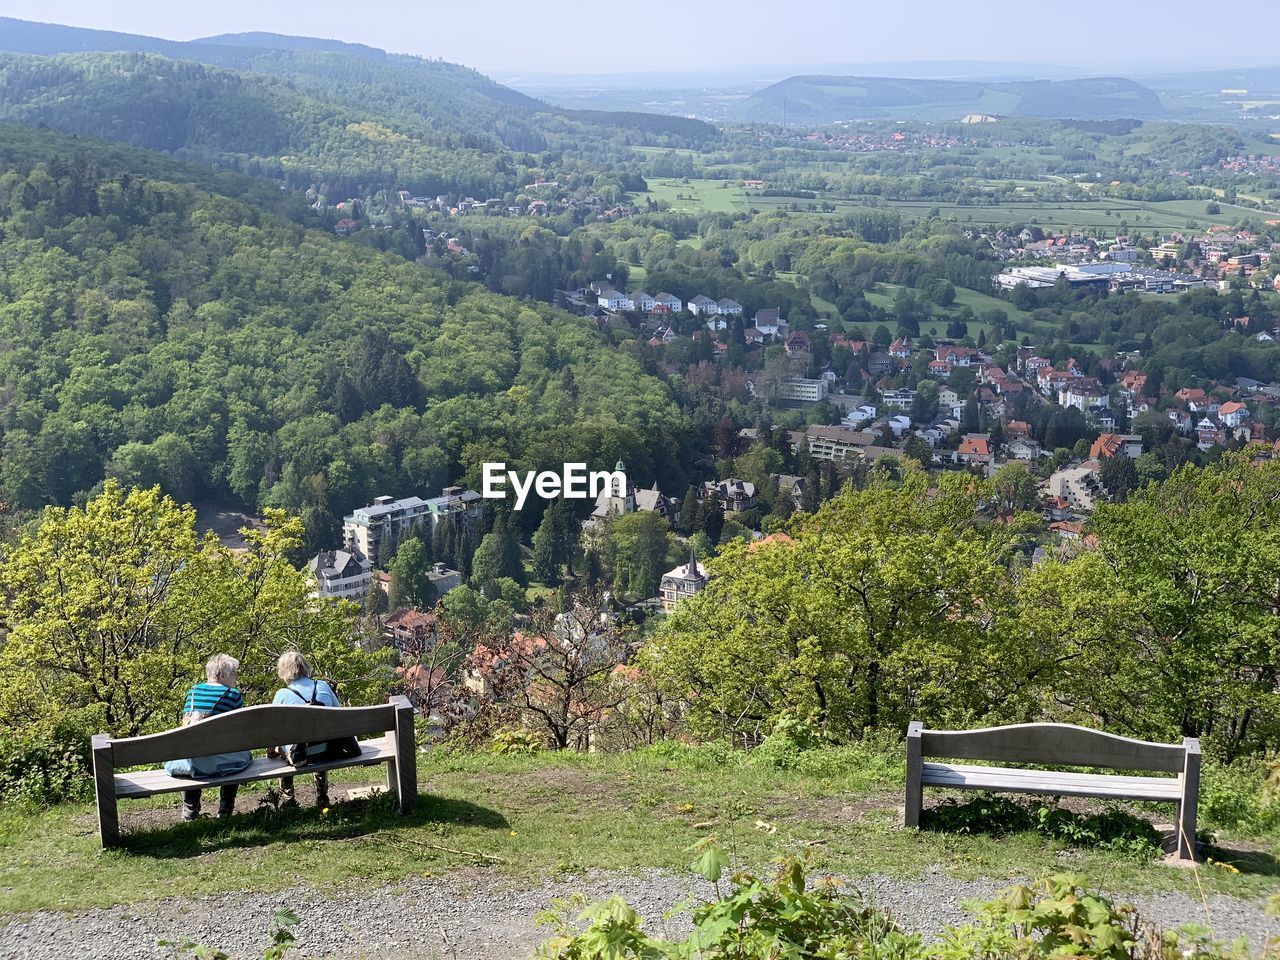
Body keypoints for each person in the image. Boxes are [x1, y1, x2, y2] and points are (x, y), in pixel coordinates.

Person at [166, 654, 252, 820]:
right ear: (221, 675)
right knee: (238, 752)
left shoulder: (192, 692)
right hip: (224, 763)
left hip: (192, 764)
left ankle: (190, 811)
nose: (236, 678)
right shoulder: (233, 695)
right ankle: (225, 809)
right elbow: (240, 731)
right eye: (234, 673)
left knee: (193, 748)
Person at [272, 650, 339, 808]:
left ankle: (288, 798)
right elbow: (339, 714)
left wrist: (272, 750)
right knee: (317, 735)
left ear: (284, 672)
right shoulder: (322, 685)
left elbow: (273, 730)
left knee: (283, 743)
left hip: (298, 755)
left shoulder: (282, 694)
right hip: (326, 750)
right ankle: (322, 795)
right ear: (305, 667)